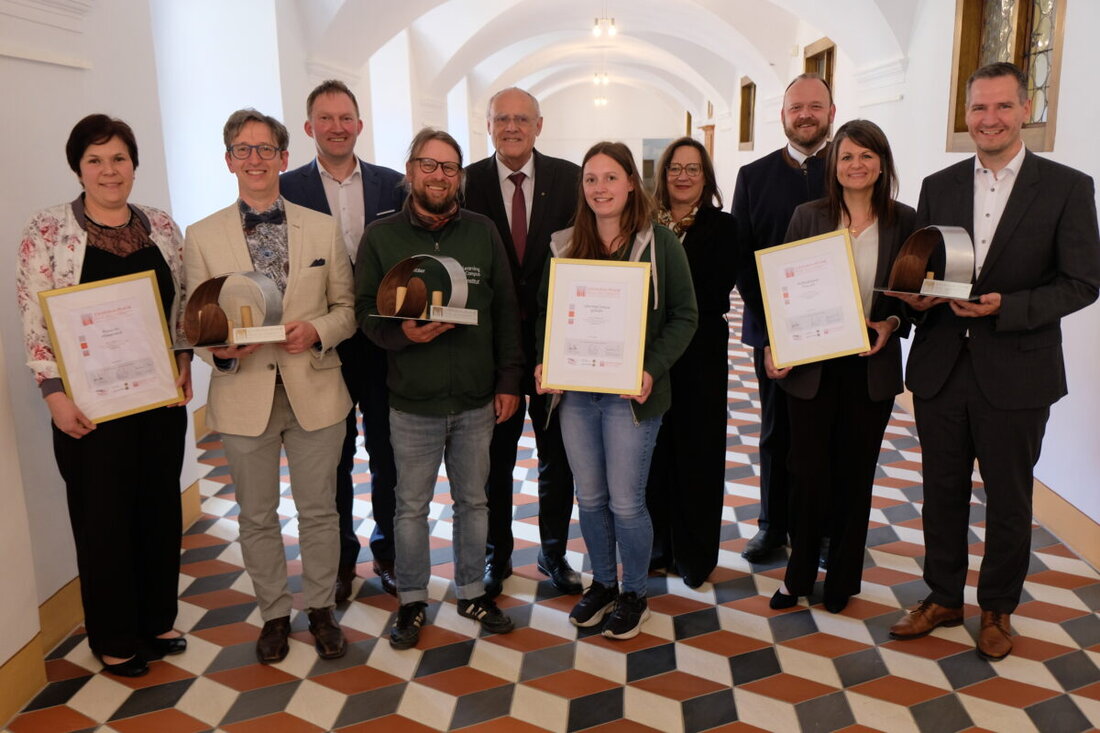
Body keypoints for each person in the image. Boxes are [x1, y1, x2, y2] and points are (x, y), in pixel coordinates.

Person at [887, 62, 1100, 660]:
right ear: (966, 115)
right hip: (941, 370)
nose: (990, 119)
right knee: (941, 491)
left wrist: (1009, 308)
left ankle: (998, 608)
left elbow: (1083, 283)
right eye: (979, 108)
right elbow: (932, 266)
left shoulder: (1066, 186)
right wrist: (922, 297)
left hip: (1018, 371)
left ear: (1025, 111)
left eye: (1002, 107)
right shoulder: (940, 184)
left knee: (1009, 499)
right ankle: (942, 597)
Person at [16, 114, 192, 677]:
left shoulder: (162, 226)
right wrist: (53, 395)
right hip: (88, 409)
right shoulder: (46, 232)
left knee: (159, 508)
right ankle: (114, 636)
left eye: (118, 158)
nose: (109, 170)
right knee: (103, 519)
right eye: (95, 159)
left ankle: (157, 619)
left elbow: (181, 305)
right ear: (77, 167)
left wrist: (184, 362)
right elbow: (33, 319)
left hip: (158, 401)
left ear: (134, 165)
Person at [184, 109, 356, 663]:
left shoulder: (322, 226)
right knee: (256, 515)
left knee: (320, 511)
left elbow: (347, 309)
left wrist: (319, 330)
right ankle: (275, 614)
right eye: (242, 149)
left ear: (284, 157)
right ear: (228, 159)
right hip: (242, 396)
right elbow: (193, 323)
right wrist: (219, 351)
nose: (254, 159)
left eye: (265, 149)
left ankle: (323, 609)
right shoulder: (202, 236)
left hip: (316, 389)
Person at [356, 128, 524, 650]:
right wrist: (399, 333)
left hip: (476, 398)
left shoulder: (482, 231)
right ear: (411, 171)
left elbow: (506, 312)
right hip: (411, 401)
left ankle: (472, 591)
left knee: (474, 502)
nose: (438, 175)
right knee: (410, 506)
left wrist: (509, 381)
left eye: (449, 167)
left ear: (460, 178)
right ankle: (411, 600)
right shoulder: (381, 236)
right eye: (428, 165)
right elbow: (363, 311)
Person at [536, 142, 697, 639]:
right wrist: (547, 361)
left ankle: (635, 594)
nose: (600, 188)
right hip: (577, 396)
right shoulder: (563, 245)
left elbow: (685, 316)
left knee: (627, 502)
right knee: (590, 498)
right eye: (591, 179)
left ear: (632, 183)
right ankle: (603, 584)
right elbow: (548, 316)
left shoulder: (660, 243)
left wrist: (650, 369)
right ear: (582, 188)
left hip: (632, 397)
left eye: (610, 178)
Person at [766, 119, 915, 614]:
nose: (856, 165)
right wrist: (776, 347)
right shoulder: (808, 216)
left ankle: (843, 580)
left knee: (855, 475)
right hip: (813, 366)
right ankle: (798, 576)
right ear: (835, 164)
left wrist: (891, 322)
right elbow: (782, 291)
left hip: (869, 368)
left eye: (866, 156)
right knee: (806, 473)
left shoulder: (904, 222)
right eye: (847, 156)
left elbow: (913, 297)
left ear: (882, 163)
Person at [280, 79, 405, 601]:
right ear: (310, 128)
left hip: (380, 340)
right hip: (320, 342)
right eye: (325, 118)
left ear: (359, 124)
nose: (336, 126)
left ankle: (391, 553)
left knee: (387, 451)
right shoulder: (287, 189)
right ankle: (338, 562)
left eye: (345, 117)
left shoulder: (393, 185)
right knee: (330, 455)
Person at [464, 87, 582, 597]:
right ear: (487, 125)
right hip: (492, 351)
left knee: (559, 457)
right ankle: (497, 557)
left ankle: (554, 554)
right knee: (495, 460)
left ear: (539, 125)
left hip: (559, 341)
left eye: (521, 119)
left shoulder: (570, 177)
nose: (511, 127)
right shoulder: (466, 182)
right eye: (501, 119)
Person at [732, 73, 836, 564]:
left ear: (831, 113)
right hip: (772, 332)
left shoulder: (851, 168)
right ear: (783, 116)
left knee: (829, 433)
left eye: (816, 106)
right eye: (797, 107)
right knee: (777, 431)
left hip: (839, 330)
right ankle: (773, 525)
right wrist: (774, 332)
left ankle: (824, 528)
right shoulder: (753, 177)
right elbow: (742, 258)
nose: (806, 114)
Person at [645, 137, 736, 588]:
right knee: (653, 449)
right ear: (662, 175)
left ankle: (695, 555)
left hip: (702, 350)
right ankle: (656, 547)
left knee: (698, 452)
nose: (682, 176)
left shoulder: (726, 227)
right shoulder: (643, 225)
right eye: (674, 168)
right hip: (653, 349)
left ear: (706, 177)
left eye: (693, 169)